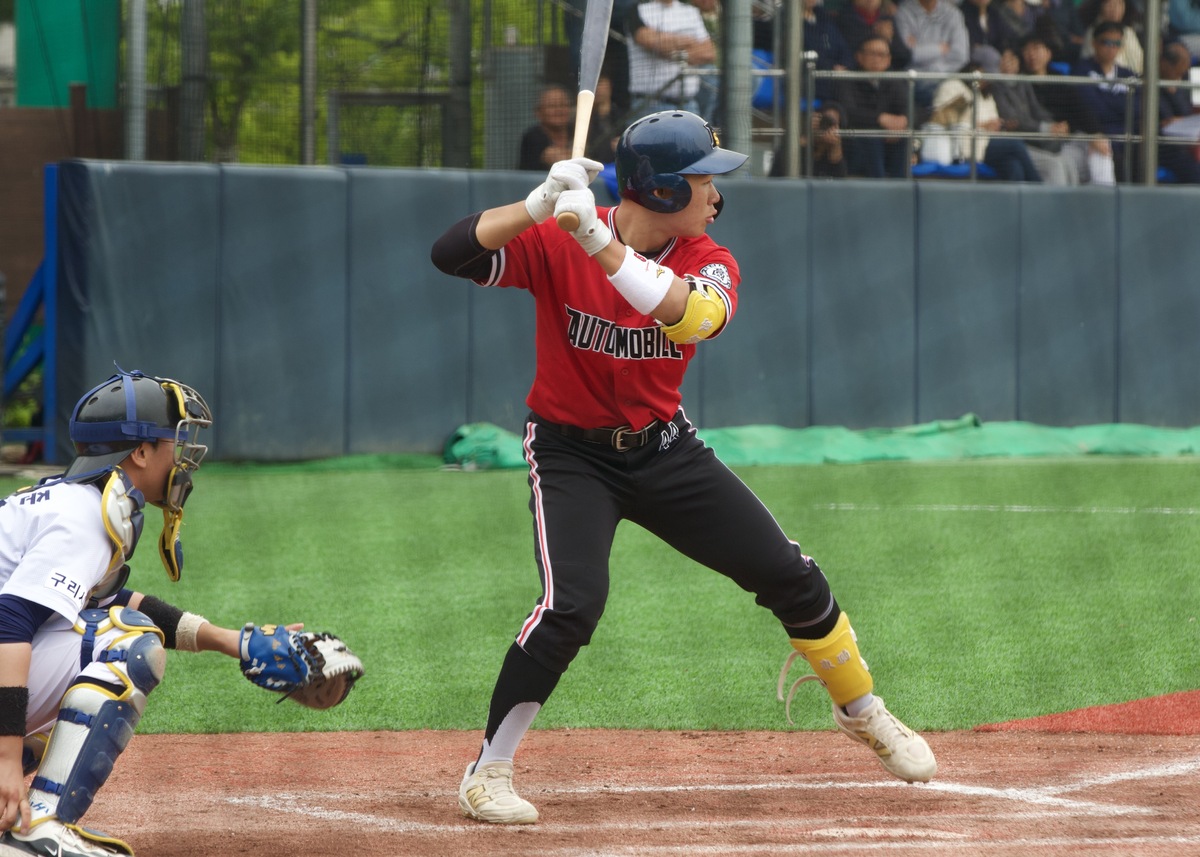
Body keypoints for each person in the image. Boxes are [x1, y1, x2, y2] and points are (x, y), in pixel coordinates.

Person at [430, 110, 937, 825]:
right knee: (570, 605)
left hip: (664, 449)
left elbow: (690, 316)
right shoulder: (560, 234)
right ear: (663, 191)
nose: (716, 195)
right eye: (703, 180)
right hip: (570, 452)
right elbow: (449, 253)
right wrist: (538, 205)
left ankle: (862, 710)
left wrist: (600, 241)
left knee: (790, 572)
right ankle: (488, 770)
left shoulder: (707, 258)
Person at [0, 370, 312, 856]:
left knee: (102, 643)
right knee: (130, 645)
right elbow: (11, 622)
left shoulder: (81, 501)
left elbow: (105, 602)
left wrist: (234, 641)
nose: (185, 457)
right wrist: (6, 760)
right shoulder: (81, 517)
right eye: (176, 440)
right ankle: (39, 830)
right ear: (140, 452)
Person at [925, 49, 1044, 180]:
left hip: (987, 143)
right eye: (986, 73)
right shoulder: (952, 86)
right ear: (974, 68)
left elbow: (993, 119)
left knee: (1013, 167)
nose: (988, 79)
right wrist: (981, 126)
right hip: (964, 144)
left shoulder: (986, 94)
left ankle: (1018, 199)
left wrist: (999, 125)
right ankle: (1040, 191)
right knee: (1016, 144)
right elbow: (939, 119)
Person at [1021, 32, 1117, 183]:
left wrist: (1095, 134)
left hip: (1071, 136)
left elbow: (1081, 108)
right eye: (1027, 50)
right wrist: (1053, 128)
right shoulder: (1020, 83)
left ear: (1048, 53)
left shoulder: (1059, 80)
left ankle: (1105, 196)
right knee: (1065, 165)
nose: (1032, 55)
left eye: (1037, 49)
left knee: (1102, 147)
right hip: (1048, 142)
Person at [990, 42, 1084, 182]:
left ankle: (1071, 204)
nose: (1009, 64)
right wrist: (1046, 128)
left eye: (1012, 60)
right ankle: (1051, 204)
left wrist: (1054, 125)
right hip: (1020, 141)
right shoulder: (996, 86)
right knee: (1055, 166)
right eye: (1004, 60)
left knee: (1069, 163)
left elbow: (1037, 110)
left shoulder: (1023, 81)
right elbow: (1013, 121)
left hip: (1036, 139)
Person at [836, 34, 913, 177]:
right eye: (872, 54)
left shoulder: (895, 80)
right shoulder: (847, 80)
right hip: (856, 142)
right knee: (871, 136)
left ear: (889, 59)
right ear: (859, 56)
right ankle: (878, 187)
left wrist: (903, 121)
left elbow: (908, 108)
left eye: (882, 54)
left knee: (904, 137)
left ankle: (901, 189)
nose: (877, 59)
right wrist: (880, 119)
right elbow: (848, 112)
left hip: (889, 138)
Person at [1074, 20, 1140, 180]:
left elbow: (1138, 108)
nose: (1112, 48)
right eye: (1106, 42)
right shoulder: (1081, 70)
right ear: (1094, 43)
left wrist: (1107, 100)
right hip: (1097, 133)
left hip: (1127, 134)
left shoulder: (1128, 74)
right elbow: (1093, 109)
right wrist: (1121, 105)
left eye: (1116, 43)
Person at [625, 0, 716, 115]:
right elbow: (651, 42)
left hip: (689, 104)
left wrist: (675, 51)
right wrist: (691, 42)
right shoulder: (638, 10)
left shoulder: (690, 11)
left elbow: (709, 53)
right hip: (651, 104)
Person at [894, 0, 971, 105]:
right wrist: (940, 48)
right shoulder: (903, 12)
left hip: (947, 77)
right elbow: (909, 54)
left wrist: (923, 51)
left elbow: (961, 55)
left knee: (963, 95)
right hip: (914, 80)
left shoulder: (953, 13)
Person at [1157, 39, 1200, 182]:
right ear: (1164, 64)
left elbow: (1186, 112)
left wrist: (1173, 91)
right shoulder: (1147, 84)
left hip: (1182, 144)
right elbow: (1162, 118)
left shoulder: (1177, 86)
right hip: (1161, 146)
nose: (1180, 76)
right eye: (1177, 72)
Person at [769, 102, 851, 177]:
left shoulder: (841, 152)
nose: (827, 126)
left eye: (831, 123)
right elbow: (778, 171)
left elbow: (840, 187)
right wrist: (807, 138)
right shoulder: (800, 144)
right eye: (824, 120)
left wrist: (835, 150)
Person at [836, 0, 914, 71]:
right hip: (857, 78)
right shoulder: (843, 20)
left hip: (887, 78)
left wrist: (889, 40)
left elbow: (904, 58)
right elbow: (848, 56)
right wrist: (880, 38)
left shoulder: (887, 19)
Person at [518, 85, 574, 171]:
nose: (559, 110)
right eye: (552, 106)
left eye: (563, 105)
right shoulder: (532, 137)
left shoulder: (579, 133)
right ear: (538, 112)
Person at [1079, 0, 1144, 72]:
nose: (1115, 9)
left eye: (1119, 4)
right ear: (1101, 6)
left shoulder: (1129, 32)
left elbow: (1140, 64)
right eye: (1110, 4)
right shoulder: (1093, 32)